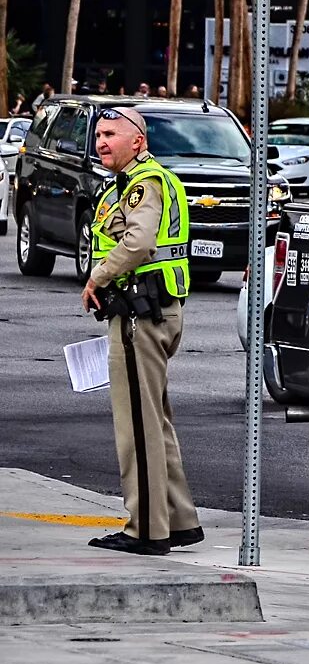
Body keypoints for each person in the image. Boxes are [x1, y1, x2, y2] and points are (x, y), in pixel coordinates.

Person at [81, 106, 199, 557]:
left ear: (138, 141)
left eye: (111, 134)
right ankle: (180, 520)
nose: (102, 142)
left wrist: (97, 278)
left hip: (139, 315)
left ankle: (146, 530)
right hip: (155, 311)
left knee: (138, 426)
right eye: (98, 135)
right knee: (157, 421)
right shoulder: (140, 180)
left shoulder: (142, 183)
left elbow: (139, 241)